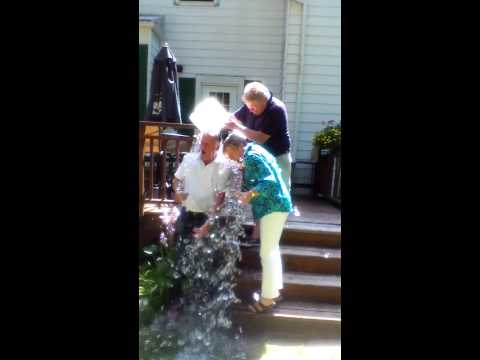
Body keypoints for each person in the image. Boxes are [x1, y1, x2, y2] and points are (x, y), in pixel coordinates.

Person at [222, 133, 293, 313]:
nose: (232, 159)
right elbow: (255, 183)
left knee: (266, 252)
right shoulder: (255, 151)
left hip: (273, 206)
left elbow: (268, 183)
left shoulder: (251, 156)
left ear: (239, 147)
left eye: (232, 155)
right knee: (272, 250)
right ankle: (274, 291)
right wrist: (241, 193)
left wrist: (249, 195)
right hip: (278, 205)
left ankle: (267, 299)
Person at [224, 82, 292, 243]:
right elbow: (233, 118)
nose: (250, 110)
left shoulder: (276, 109)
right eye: (248, 106)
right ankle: (258, 233)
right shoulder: (250, 104)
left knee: (278, 194)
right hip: (258, 156)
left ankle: (273, 233)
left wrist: (237, 127)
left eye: (254, 106)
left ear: (264, 100)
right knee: (258, 193)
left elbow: (261, 137)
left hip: (277, 156)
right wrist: (221, 120)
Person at [173, 132, 231, 239]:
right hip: (186, 213)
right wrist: (178, 191)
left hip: (207, 217)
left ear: (217, 145)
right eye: (202, 143)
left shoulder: (223, 165)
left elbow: (221, 195)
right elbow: (177, 179)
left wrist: (210, 221)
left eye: (207, 144)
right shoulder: (188, 159)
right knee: (181, 252)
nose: (203, 146)